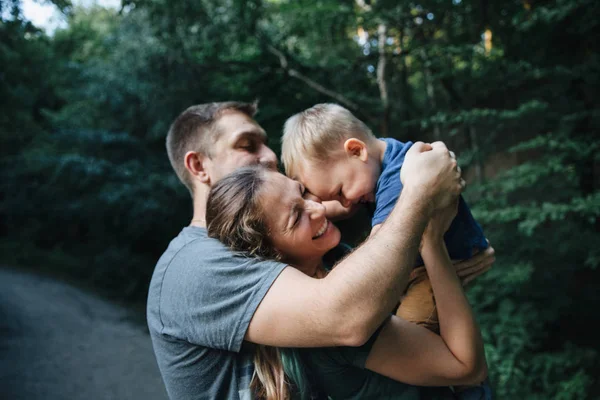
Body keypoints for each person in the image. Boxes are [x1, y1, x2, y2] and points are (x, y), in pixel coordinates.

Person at [147, 101, 469, 399]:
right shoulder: (195, 264)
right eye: (247, 145)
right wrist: (418, 194)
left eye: (265, 142)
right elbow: (345, 315)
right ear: (199, 165)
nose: (270, 156)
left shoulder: (295, 245)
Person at [206, 165, 492, 399]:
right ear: (273, 254)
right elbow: (467, 367)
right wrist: (432, 242)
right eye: (296, 217)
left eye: (302, 193)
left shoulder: (329, 261)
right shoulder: (333, 328)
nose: (317, 209)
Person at [281, 103, 491, 333]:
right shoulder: (376, 161)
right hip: (423, 262)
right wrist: (312, 206)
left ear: (356, 151)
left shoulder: (400, 177)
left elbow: (380, 250)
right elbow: (343, 209)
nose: (344, 203)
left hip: (441, 267)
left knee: (411, 329)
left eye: (340, 192)